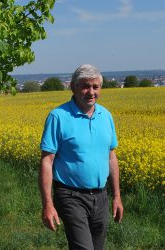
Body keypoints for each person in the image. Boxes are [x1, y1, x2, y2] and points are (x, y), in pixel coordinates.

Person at [39, 64, 123, 250]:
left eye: (95, 87)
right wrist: (47, 204)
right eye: (85, 86)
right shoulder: (58, 117)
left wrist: (117, 196)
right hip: (70, 196)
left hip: (100, 197)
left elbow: (111, 157)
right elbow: (47, 161)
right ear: (73, 87)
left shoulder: (106, 116)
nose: (91, 92)